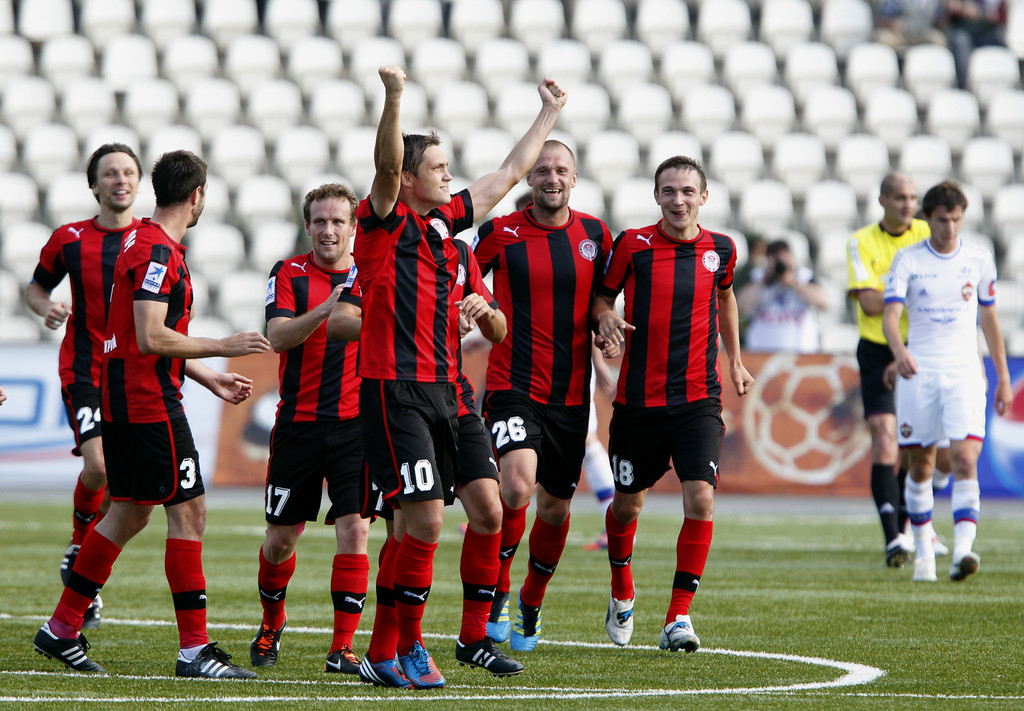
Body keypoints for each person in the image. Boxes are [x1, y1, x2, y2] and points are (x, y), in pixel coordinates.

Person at [352, 65, 565, 689]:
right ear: (412, 179)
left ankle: (450, 641)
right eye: (439, 168)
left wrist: (549, 113)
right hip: (395, 392)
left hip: (452, 393)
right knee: (424, 524)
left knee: (489, 510)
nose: (450, 176)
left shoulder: (452, 235)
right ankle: (406, 646)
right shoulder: (385, 224)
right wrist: (394, 97)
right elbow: (387, 168)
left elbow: (508, 175)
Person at [32, 150, 271, 677]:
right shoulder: (159, 252)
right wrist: (222, 346)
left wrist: (207, 378)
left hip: (128, 395)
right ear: (197, 197)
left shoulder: (138, 239)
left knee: (130, 512)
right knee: (186, 513)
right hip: (146, 404)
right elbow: (149, 335)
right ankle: (194, 651)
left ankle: (61, 627)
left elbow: (138, 339)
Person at [592, 155, 754, 652]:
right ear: (656, 196)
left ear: (704, 197)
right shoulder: (633, 246)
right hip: (639, 403)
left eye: (688, 191)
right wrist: (606, 322)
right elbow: (601, 299)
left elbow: (724, 298)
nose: (678, 200)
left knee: (701, 497)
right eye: (669, 191)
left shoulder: (721, 250)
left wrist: (735, 361)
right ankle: (622, 590)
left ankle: (677, 617)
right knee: (626, 505)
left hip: (698, 400)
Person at [472, 140, 613, 652]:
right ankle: (499, 593)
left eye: (562, 170)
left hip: (572, 394)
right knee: (516, 486)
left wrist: (606, 321)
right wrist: (478, 305)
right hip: (513, 385)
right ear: (529, 179)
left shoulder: (596, 235)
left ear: (574, 179)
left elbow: (603, 299)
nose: (551, 177)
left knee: (554, 509)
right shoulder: (498, 233)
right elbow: (462, 278)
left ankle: (532, 597)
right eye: (542, 169)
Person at [249, 184, 370, 674]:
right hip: (298, 425)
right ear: (307, 226)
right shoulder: (289, 273)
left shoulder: (372, 274)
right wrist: (326, 308)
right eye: (320, 221)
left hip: (356, 428)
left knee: (355, 530)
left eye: (338, 221)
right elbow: (277, 337)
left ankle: (341, 647)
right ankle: (271, 622)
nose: (328, 230)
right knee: (280, 540)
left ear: (354, 227)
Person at [25, 143, 143, 627]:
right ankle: (78, 545)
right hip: (84, 370)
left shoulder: (155, 240)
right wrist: (45, 307)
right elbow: (35, 286)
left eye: (128, 172)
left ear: (139, 182)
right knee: (99, 466)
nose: (120, 180)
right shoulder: (69, 239)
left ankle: (84, 576)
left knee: (122, 492)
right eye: (110, 173)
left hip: (132, 375)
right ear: (93, 186)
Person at [882, 180, 1012, 582]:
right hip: (920, 371)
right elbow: (890, 315)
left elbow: (989, 318)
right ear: (928, 218)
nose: (950, 228)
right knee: (920, 466)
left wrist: (1003, 377)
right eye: (942, 220)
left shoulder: (978, 259)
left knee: (964, 459)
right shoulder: (907, 260)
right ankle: (924, 552)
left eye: (956, 220)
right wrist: (899, 352)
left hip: (964, 371)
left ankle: (963, 551)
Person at [848, 172, 950, 568]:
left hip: (924, 348)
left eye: (912, 198)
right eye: (900, 198)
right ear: (883, 200)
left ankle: (913, 526)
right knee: (885, 438)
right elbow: (871, 305)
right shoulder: (861, 241)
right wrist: (920, 293)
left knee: (930, 453)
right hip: (877, 349)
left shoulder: (930, 232)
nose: (908, 204)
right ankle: (894, 538)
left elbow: (948, 289)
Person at [737, 239, 829, 353]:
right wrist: (763, 282)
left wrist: (793, 283)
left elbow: (823, 302)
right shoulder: (758, 276)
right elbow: (741, 307)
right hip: (761, 351)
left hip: (801, 351)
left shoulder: (804, 276)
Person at [946, 0, 1007, 89]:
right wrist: (963, 8)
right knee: (961, 43)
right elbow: (952, 5)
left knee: (1001, 41)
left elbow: (996, 16)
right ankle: (963, 87)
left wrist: (982, 13)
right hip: (963, 28)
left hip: (985, 28)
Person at [875, 0, 946, 53]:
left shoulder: (933, 2)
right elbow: (882, 18)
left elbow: (940, 20)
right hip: (902, 35)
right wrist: (893, 23)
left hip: (925, 34)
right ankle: (898, 68)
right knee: (883, 38)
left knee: (939, 39)